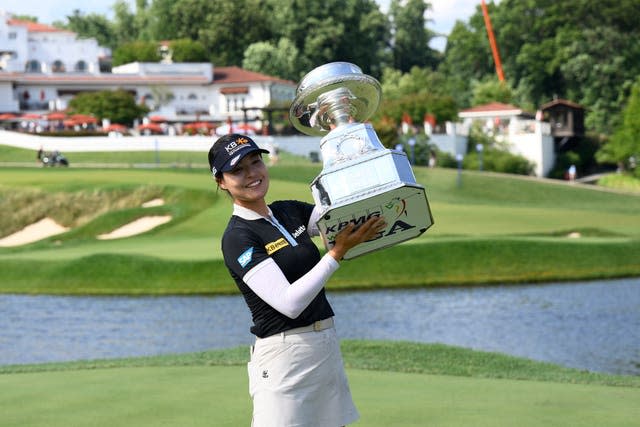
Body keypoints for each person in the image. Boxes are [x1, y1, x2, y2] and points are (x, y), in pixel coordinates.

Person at [208, 134, 385, 427]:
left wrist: (350, 153)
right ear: (221, 182)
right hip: (283, 355)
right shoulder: (238, 237)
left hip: (324, 345)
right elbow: (290, 302)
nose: (252, 174)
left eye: (256, 162)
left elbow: (344, 216)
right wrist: (336, 253)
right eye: (238, 170)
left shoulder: (288, 211)